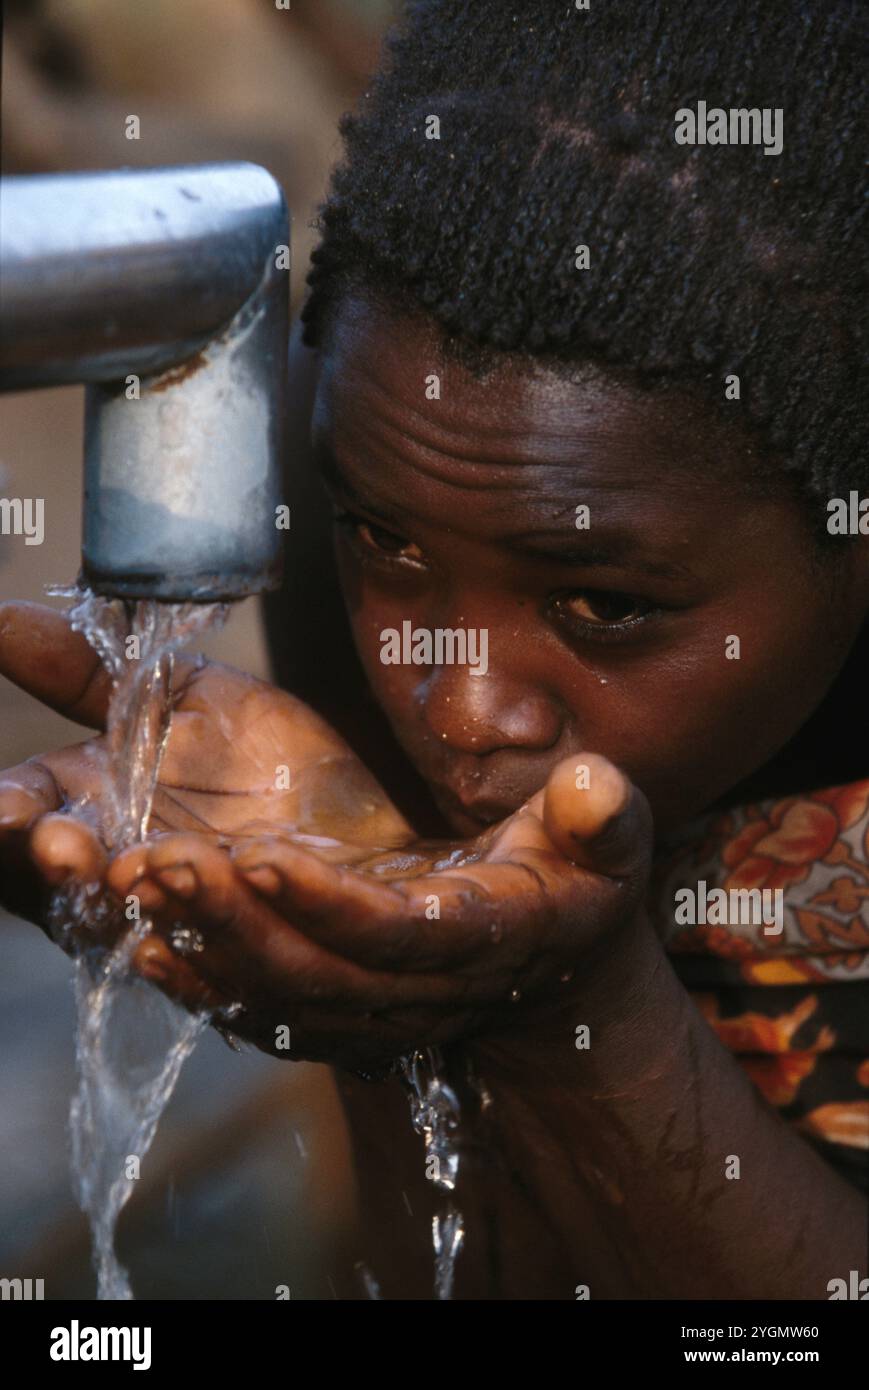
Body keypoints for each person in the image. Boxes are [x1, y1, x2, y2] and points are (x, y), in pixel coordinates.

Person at [0, 0, 866, 1298]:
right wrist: (400, 994)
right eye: (383, 546)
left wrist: (588, 1021)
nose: (456, 707)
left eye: (603, 608)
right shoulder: (371, 482)